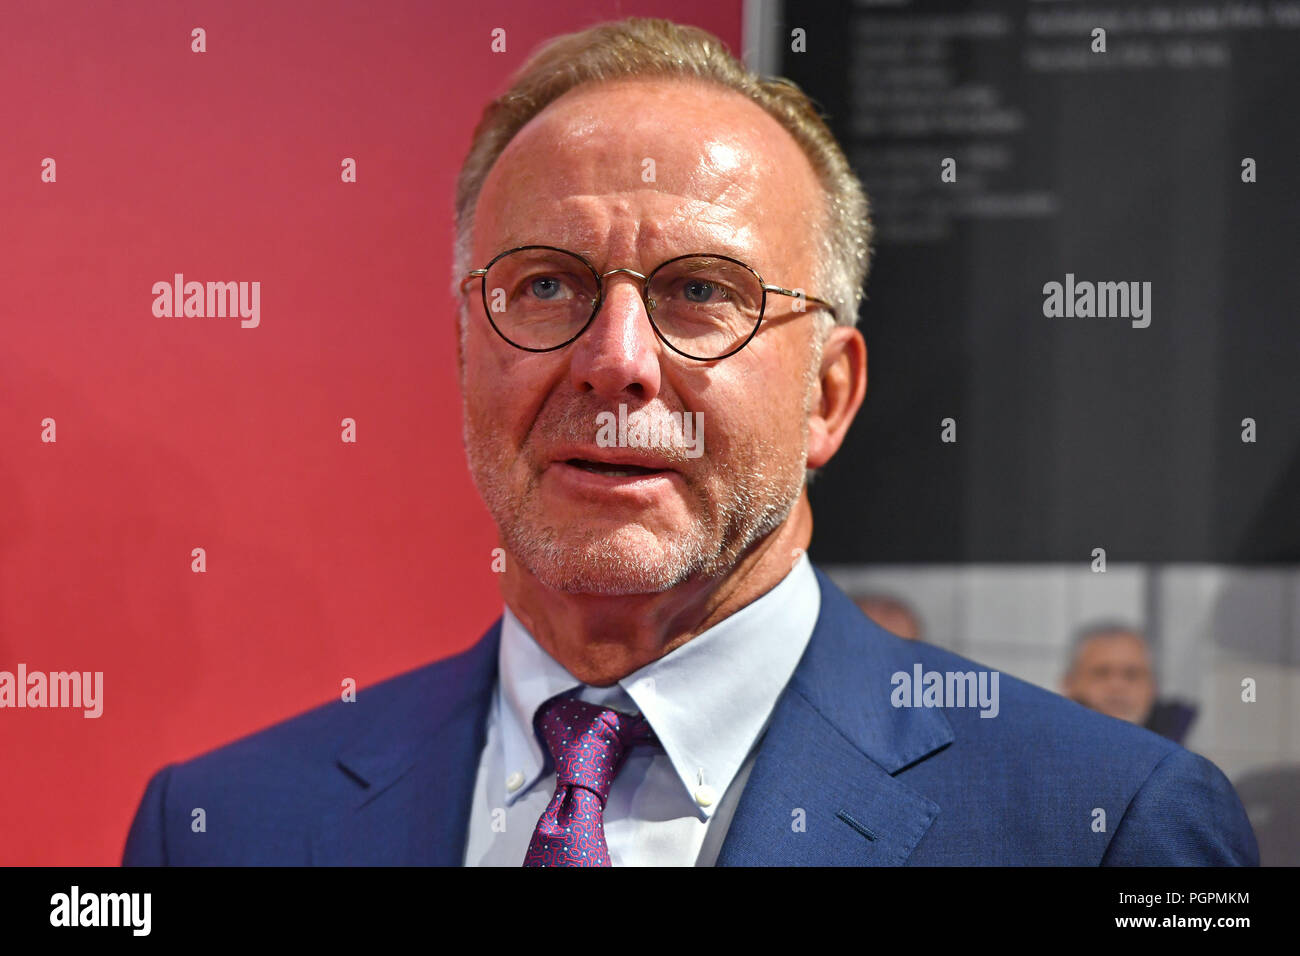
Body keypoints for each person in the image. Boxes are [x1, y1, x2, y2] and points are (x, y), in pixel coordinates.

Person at [122, 17, 1256, 866]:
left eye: (702, 291)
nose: (614, 357)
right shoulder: (224, 827)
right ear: (467, 350)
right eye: (547, 282)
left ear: (828, 393)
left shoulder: (1108, 827)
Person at [1062, 622, 1199, 745]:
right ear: (1069, 684)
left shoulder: (1190, 768)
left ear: (1153, 686)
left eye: (1132, 675)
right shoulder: (1044, 757)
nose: (1117, 686)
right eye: (1101, 673)